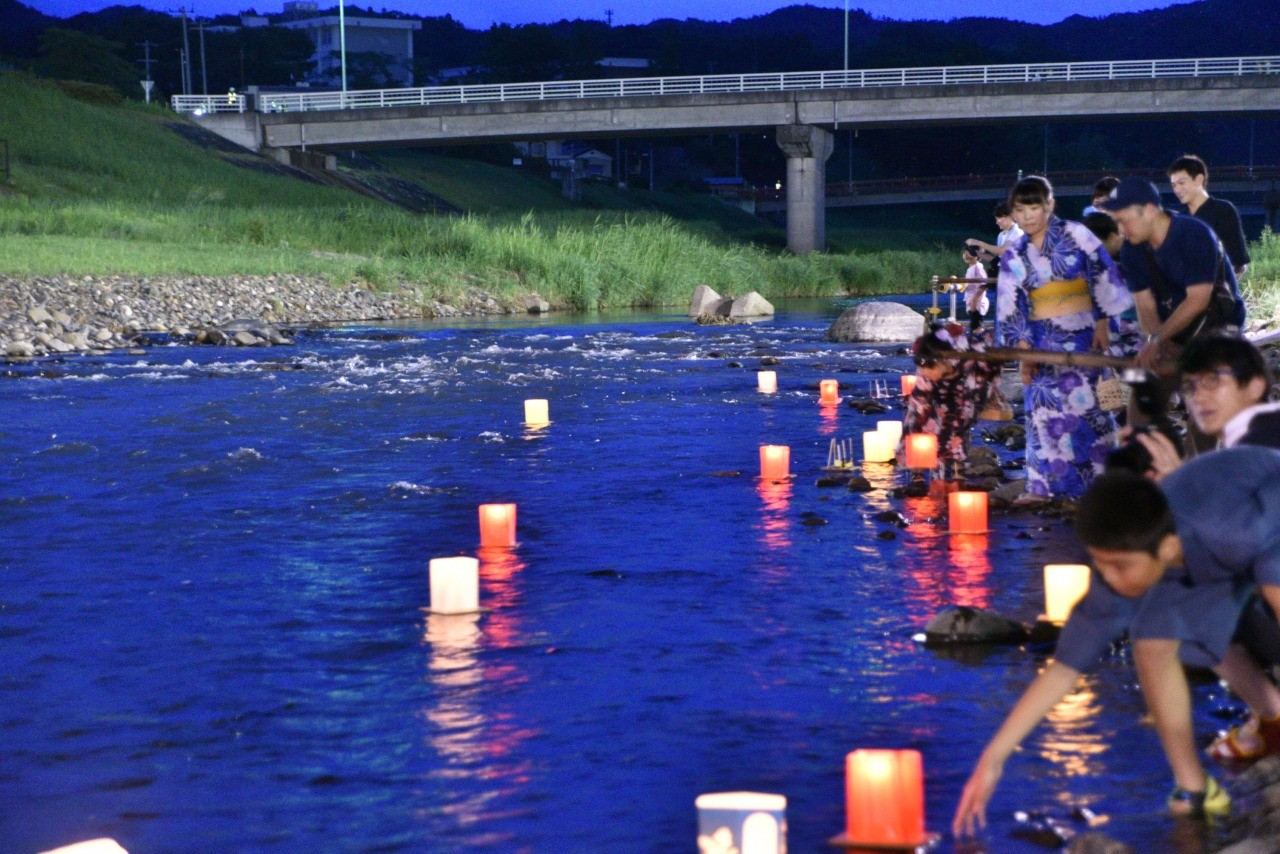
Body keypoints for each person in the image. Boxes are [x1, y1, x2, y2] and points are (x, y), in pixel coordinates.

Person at [953, 447, 1280, 837]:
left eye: (1120, 566)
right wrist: (993, 758)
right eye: (1101, 563)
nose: (1110, 578)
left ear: (1167, 549)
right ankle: (1198, 786)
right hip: (1205, 535)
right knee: (1152, 643)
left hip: (1266, 510)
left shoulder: (1238, 533)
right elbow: (1063, 669)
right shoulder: (1129, 553)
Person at [997, 175, 1136, 497]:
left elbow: (1103, 276)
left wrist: (1103, 323)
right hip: (1040, 343)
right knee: (1043, 416)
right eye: (1020, 210)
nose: (1027, 216)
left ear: (1050, 205)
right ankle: (1045, 488)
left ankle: (1099, 487)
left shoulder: (1078, 235)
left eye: (1034, 207)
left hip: (1084, 337)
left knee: (1089, 414)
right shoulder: (1014, 253)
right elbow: (1011, 306)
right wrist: (1023, 352)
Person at [1100, 176, 1246, 376]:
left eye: (1124, 220)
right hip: (1174, 334)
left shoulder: (1193, 233)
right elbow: (1145, 305)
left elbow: (1198, 300)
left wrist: (1156, 340)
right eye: (1116, 222)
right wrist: (1162, 345)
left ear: (1149, 210)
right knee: (1150, 383)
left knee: (1213, 382)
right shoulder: (1131, 250)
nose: (1121, 230)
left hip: (1219, 327)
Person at [900, 324, 1004, 482]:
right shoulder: (926, 374)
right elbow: (916, 405)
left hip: (965, 397)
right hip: (938, 400)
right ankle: (920, 473)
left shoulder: (968, 353)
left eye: (929, 370)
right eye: (923, 370)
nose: (925, 373)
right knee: (921, 424)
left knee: (957, 430)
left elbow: (993, 345)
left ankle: (956, 473)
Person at [1168, 154, 1250, 278]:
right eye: (1174, 185)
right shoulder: (1180, 219)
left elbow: (1237, 262)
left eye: (1181, 183)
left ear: (1199, 179)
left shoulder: (1223, 210)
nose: (1177, 190)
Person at [962, 246, 990, 331]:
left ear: (977, 256)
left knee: (977, 326)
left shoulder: (978, 268)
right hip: (971, 302)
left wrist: (975, 300)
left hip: (977, 303)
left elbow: (984, 284)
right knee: (974, 326)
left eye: (970, 254)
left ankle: (980, 337)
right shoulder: (971, 268)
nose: (966, 255)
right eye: (965, 253)